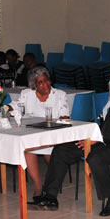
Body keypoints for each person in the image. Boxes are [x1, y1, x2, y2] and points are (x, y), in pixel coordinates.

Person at [31, 58, 110, 217]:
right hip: (104, 141)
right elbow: (107, 125)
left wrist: (99, 138)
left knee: (95, 157)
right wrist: (90, 135)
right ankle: (50, 196)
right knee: (61, 150)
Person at [14, 66, 69, 197]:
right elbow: (16, 106)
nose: (45, 84)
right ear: (34, 86)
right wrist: (8, 108)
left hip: (53, 136)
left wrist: (63, 118)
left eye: (47, 80)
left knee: (50, 155)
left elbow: (64, 114)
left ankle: (52, 183)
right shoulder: (26, 94)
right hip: (33, 135)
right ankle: (38, 186)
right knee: (28, 150)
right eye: (40, 82)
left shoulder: (59, 95)